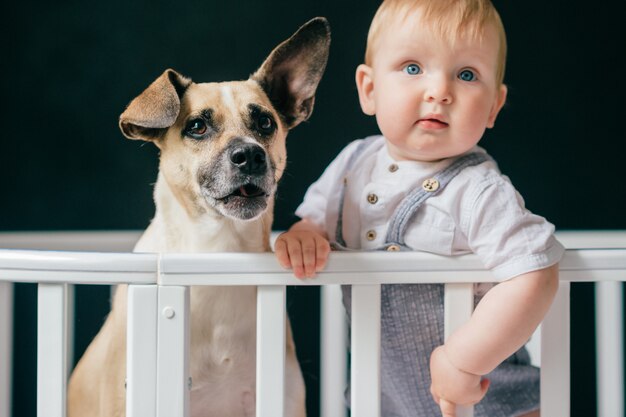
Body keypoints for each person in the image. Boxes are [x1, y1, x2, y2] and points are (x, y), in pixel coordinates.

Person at [274, 0, 564, 415]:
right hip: (384, 400)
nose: (440, 91)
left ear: (494, 106)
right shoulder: (351, 165)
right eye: (413, 68)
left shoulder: (479, 189)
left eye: (466, 75)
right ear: (369, 90)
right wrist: (303, 237)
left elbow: (535, 274)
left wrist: (463, 359)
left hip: (491, 399)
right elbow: (313, 224)